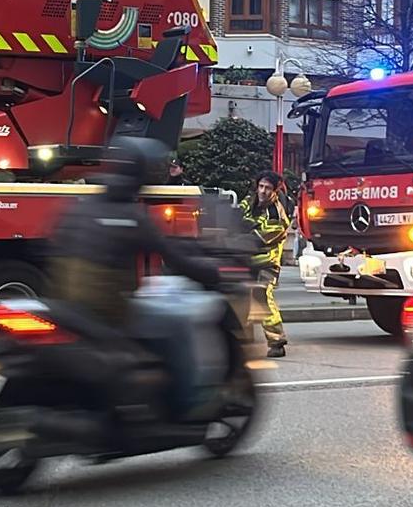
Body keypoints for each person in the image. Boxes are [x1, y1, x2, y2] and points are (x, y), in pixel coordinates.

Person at [48, 137, 223, 423]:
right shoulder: (131, 215)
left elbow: (49, 247)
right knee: (177, 325)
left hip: (67, 306)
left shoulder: (79, 207)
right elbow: (174, 257)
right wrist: (212, 273)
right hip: (108, 313)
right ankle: (187, 403)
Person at [241, 171, 294, 358]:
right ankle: (242, 340)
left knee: (262, 296)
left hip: (266, 263)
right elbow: (237, 217)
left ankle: (277, 341)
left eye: (268, 188)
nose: (263, 191)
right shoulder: (250, 200)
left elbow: (256, 239)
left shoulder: (276, 215)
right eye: (261, 186)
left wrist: (240, 232)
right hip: (245, 259)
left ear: (275, 191)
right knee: (240, 297)